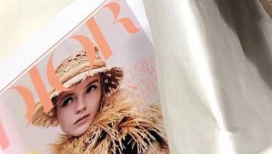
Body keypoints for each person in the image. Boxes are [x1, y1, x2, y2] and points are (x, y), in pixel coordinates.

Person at [30, 47, 169, 154]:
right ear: (56, 112)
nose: (81, 106)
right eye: (67, 100)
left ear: (102, 91)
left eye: (90, 88)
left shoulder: (130, 138)